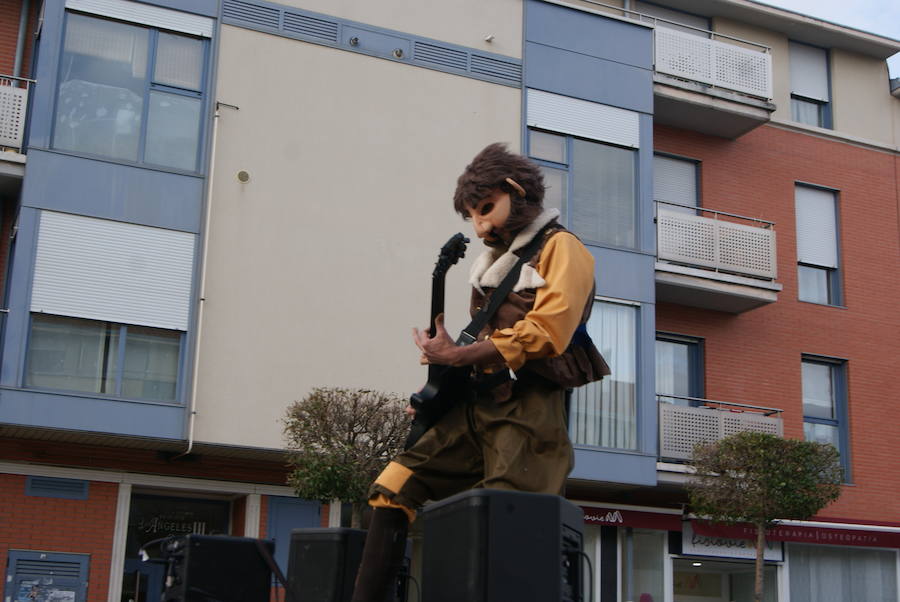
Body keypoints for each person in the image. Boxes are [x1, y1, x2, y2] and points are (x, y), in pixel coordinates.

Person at [351, 143, 609, 601]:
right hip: (474, 406)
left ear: (516, 191)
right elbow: (477, 346)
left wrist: (458, 356)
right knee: (392, 487)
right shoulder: (490, 264)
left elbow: (548, 332)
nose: (481, 225)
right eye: (472, 216)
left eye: (486, 208)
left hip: (528, 409)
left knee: (504, 517)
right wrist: (443, 379)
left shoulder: (563, 248)